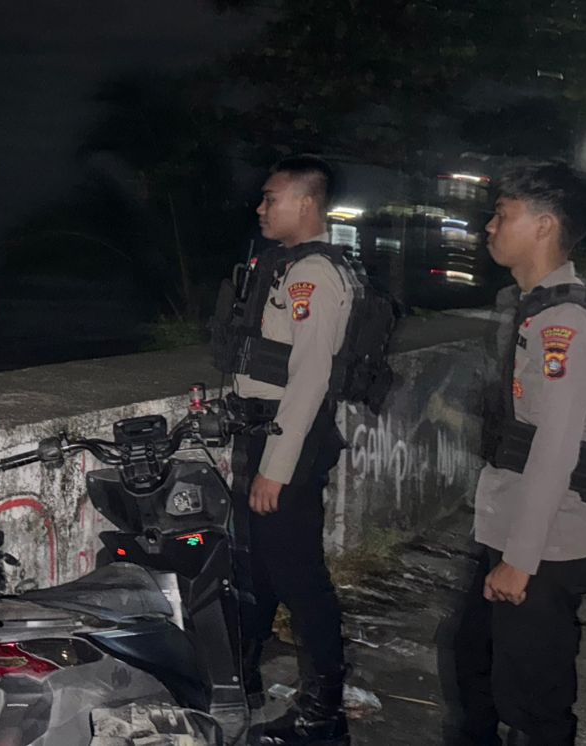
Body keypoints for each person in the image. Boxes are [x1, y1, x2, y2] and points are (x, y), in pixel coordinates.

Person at [451, 162, 586, 746]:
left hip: (548, 545)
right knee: (474, 666)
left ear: (544, 226)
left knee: (533, 704)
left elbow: (555, 448)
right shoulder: (535, 309)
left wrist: (521, 560)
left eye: (503, 214)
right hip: (518, 527)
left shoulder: (566, 324)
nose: (489, 227)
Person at [231, 155, 355, 746]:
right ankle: (240, 684)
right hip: (265, 435)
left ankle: (322, 713)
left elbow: (309, 378)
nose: (261, 208)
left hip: (289, 445)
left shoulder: (314, 275)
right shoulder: (286, 266)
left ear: (305, 203)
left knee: (300, 579)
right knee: (255, 570)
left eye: (271, 197)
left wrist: (274, 470)